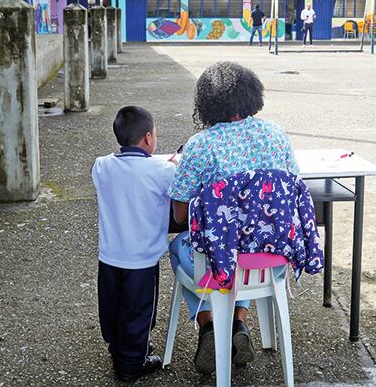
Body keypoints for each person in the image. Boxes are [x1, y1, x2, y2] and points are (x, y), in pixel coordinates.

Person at [168, 62, 300, 375]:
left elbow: (180, 214)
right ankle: (239, 323)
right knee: (246, 242)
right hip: (270, 260)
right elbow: (293, 187)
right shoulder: (276, 135)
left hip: (221, 262)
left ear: (206, 103)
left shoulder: (200, 145)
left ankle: (208, 326)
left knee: (182, 247)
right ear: (252, 94)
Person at [92, 106, 176, 381]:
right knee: (139, 311)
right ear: (149, 138)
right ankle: (131, 364)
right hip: (142, 259)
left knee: (113, 307)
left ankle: (119, 348)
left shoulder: (102, 165)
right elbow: (177, 189)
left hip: (110, 256)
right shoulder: (163, 170)